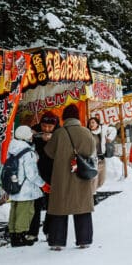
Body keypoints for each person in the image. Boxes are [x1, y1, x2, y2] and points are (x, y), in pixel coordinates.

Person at [44, 104, 97, 250]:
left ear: (64, 117)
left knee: (59, 208)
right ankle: (84, 240)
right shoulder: (86, 132)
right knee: (82, 207)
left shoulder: (59, 133)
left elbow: (49, 152)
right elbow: (92, 150)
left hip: (62, 177)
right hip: (81, 175)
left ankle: (57, 242)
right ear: (77, 117)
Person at [5, 125, 48, 246]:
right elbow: (32, 174)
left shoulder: (12, 148)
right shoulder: (27, 152)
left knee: (14, 211)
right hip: (26, 189)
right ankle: (20, 237)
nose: (31, 137)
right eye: (30, 135)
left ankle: (13, 235)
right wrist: (43, 184)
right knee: (24, 212)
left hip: (14, 186)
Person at [27, 111, 58, 242]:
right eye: (44, 125)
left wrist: (53, 139)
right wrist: (32, 135)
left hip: (53, 174)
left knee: (52, 204)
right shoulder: (35, 132)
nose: (46, 129)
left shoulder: (59, 133)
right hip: (36, 174)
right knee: (35, 204)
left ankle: (48, 229)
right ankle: (32, 232)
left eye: (50, 127)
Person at [87, 116, 109, 189]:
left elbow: (113, 130)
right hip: (93, 160)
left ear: (97, 124)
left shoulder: (102, 132)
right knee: (94, 180)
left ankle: (95, 192)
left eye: (93, 122)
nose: (91, 124)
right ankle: (93, 195)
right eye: (90, 123)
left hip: (102, 158)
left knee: (102, 180)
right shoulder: (88, 134)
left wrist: (110, 138)